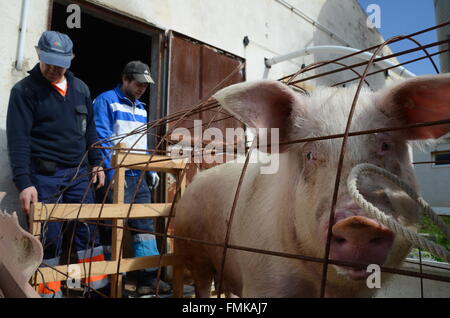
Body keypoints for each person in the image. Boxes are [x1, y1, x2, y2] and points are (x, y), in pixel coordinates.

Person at [7, 31, 108, 298]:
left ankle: (90, 288)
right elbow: (19, 141)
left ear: (71, 59)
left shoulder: (81, 89)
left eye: (60, 63)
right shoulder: (24, 91)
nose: (53, 68)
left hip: (78, 174)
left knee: (86, 232)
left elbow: (91, 133)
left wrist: (97, 163)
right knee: (49, 237)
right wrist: (25, 182)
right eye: (48, 60)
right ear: (39, 54)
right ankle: (49, 293)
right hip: (44, 176)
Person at [93, 60, 171, 295]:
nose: (141, 89)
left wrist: (151, 169)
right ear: (125, 79)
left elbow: (142, 143)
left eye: (145, 86)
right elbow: (102, 138)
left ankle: (148, 278)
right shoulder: (106, 100)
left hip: (138, 175)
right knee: (111, 227)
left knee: (144, 226)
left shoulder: (142, 108)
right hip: (116, 175)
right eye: (138, 84)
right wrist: (111, 171)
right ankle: (113, 281)